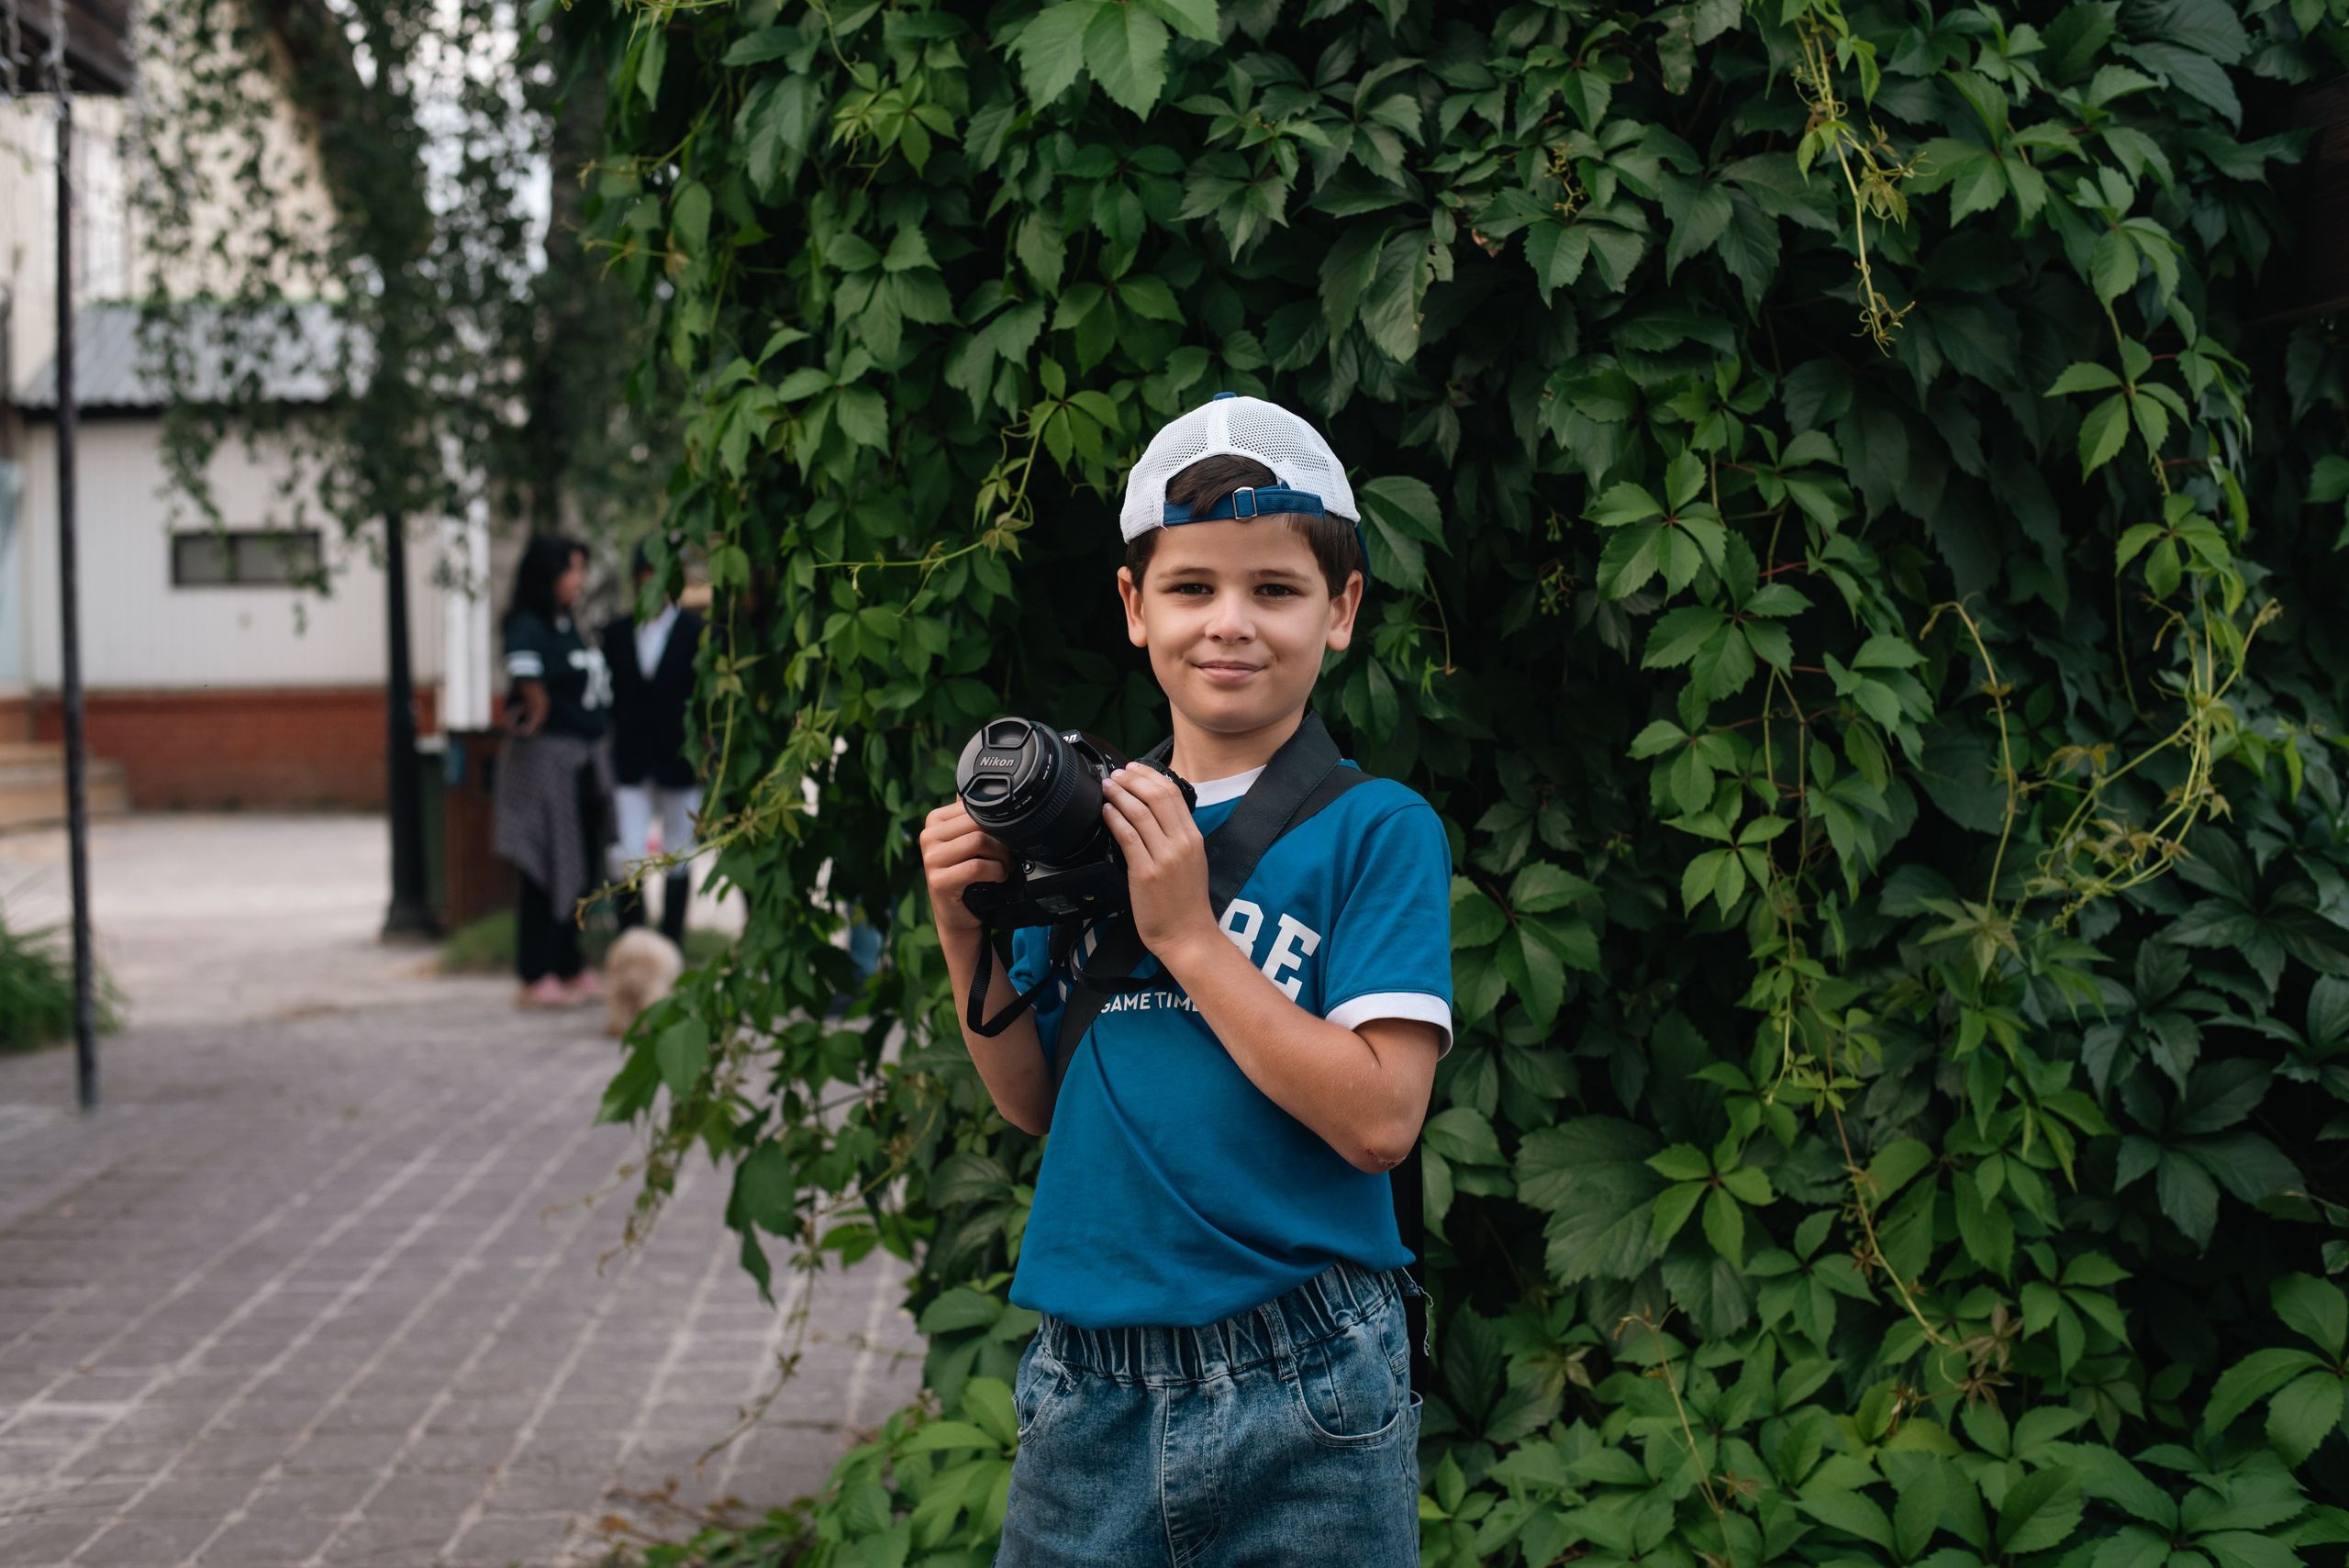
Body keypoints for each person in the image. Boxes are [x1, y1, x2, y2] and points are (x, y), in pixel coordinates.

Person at [919, 395, 1452, 1567]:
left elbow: (1380, 1119)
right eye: (1191, 586)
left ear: (1341, 610)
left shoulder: (1375, 829)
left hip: (1308, 1378)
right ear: (1133, 606)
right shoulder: (1081, 823)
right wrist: (966, 932)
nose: (1231, 624)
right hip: (1088, 1387)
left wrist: (1192, 937)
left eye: (1275, 589)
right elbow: (1037, 1102)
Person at [493, 534, 614, 1008]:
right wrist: (537, 708)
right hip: (546, 765)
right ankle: (535, 972)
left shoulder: (568, 626)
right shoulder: (528, 625)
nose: (580, 580)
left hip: (581, 764)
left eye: (582, 569)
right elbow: (525, 678)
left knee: (577, 867)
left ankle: (568, 964)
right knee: (544, 867)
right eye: (572, 570)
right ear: (548, 576)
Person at [601, 539, 705, 943]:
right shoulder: (616, 633)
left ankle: (670, 942)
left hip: (679, 760)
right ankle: (631, 940)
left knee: (680, 853)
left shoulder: (697, 632)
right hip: (631, 759)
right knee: (629, 852)